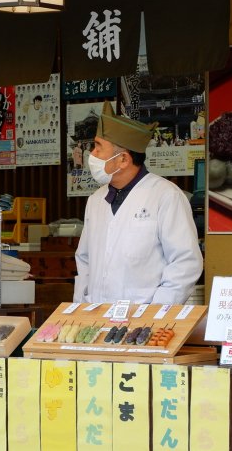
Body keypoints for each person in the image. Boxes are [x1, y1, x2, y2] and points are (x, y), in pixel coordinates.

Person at [73, 101, 203, 304]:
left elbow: (185, 262)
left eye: (98, 147)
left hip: (144, 322)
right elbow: (84, 258)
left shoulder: (166, 196)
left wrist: (155, 311)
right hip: (96, 318)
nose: (92, 154)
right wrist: (82, 306)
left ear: (123, 160)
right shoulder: (95, 200)